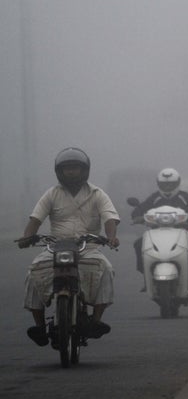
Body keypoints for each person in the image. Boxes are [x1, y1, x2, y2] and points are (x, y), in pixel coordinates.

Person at [17, 147, 120, 346]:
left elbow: (109, 218)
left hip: (87, 247)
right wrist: (26, 237)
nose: (71, 172)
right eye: (67, 169)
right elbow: (35, 219)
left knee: (106, 268)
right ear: (59, 171)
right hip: (56, 247)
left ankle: (96, 321)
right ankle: (39, 326)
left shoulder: (98, 194)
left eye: (75, 168)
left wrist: (111, 237)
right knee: (33, 272)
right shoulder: (51, 194)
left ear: (84, 171)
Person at [131, 168, 188, 291]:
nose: (168, 187)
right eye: (164, 184)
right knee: (138, 244)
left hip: (181, 233)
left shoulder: (184, 197)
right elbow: (141, 207)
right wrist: (136, 216)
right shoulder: (154, 197)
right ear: (158, 184)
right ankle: (146, 276)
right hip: (155, 232)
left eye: (171, 184)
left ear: (177, 183)